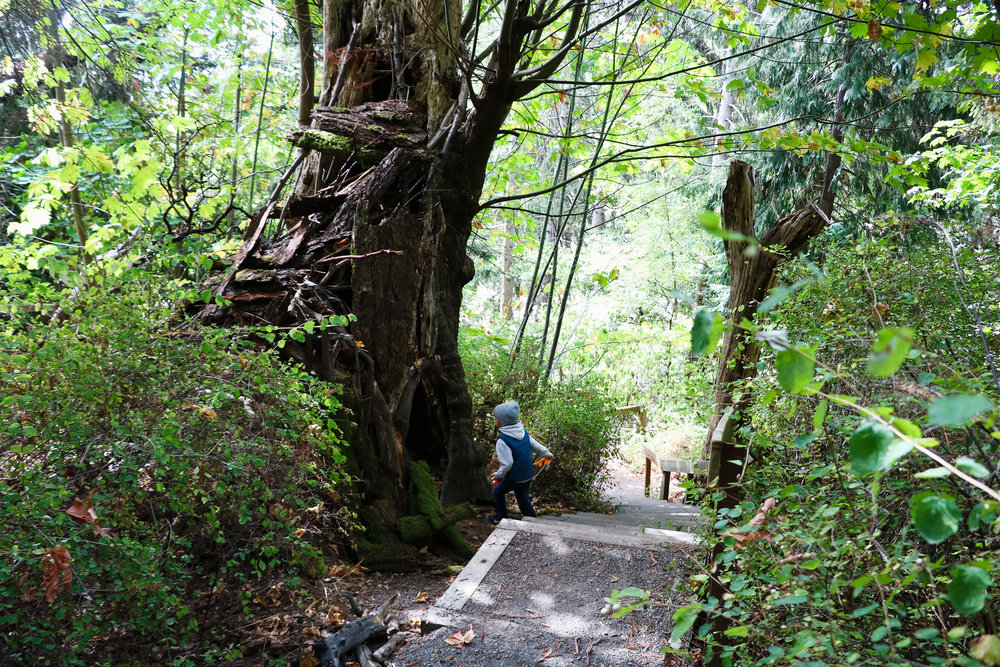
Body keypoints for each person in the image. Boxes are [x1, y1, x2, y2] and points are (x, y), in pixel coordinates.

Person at [488, 400, 553, 525]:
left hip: (515, 477)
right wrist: (548, 454)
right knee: (523, 499)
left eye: (495, 417)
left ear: (501, 422)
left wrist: (498, 475)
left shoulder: (503, 440)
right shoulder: (522, 432)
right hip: (528, 475)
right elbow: (537, 446)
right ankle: (533, 522)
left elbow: (507, 464)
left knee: (497, 492)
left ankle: (501, 517)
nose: (494, 419)